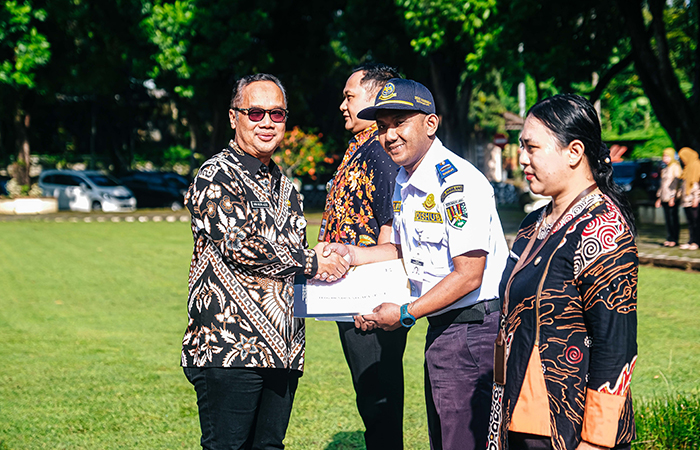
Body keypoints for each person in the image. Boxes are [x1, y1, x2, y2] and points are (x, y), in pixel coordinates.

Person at [325, 78, 509, 450]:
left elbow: (469, 274)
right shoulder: (406, 179)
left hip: (474, 330)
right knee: (444, 439)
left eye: (400, 122)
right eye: (382, 126)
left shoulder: (455, 183)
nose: (389, 135)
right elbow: (401, 252)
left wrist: (406, 313)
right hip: (444, 330)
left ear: (430, 123)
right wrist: (351, 254)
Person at [181, 73, 349, 450]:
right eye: (255, 113)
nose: (267, 123)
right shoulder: (216, 176)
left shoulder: (286, 187)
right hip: (229, 348)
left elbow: (292, 265)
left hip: (284, 350)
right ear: (233, 117)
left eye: (277, 114)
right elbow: (241, 245)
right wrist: (313, 261)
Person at [488, 94, 638, 450]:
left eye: (532, 147)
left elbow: (615, 345)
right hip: (517, 412)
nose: (522, 158)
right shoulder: (532, 225)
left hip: (568, 428)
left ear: (574, 152)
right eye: (521, 147)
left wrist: (597, 441)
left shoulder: (602, 229)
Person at [319, 63, 407, 449]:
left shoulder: (381, 150)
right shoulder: (360, 148)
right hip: (351, 295)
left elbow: (392, 223)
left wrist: (378, 298)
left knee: (379, 402)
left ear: (375, 98)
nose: (342, 104)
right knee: (369, 399)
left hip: (370, 301)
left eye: (349, 96)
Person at [655, 148, 682, 247]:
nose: (664, 158)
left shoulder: (676, 167)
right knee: (667, 219)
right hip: (664, 197)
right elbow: (662, 184)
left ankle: (675, 239)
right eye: (663, 156)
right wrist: (659, 197)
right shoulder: (665, 168)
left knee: (673, 218)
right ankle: (669, 238)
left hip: (672, 197)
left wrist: (673, 197)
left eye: (666, 156)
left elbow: (676, 184)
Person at [678, 147, 700, 250]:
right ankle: (691, 241)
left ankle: (696, 242)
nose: (682, 160)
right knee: (690, 222)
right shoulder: (687, 168)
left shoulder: (697, 166)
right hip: (686, 199)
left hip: (694, 199)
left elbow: (697, 184)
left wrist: (697, 197)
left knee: (696, 222)